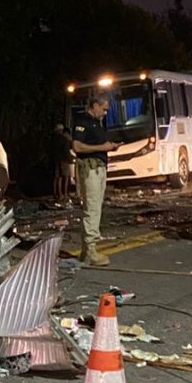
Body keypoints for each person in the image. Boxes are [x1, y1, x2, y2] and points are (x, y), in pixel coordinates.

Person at [71, 95, 119, 266]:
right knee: (92, 209)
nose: (105, 113)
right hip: (90, 169)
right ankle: (91, 249)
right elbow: (77, 146)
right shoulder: (83, 122)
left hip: (99, 168)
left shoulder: (96, 124)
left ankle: (86, 250)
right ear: (95, 105)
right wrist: (103, 147)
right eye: (104, 109)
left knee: (95, 207)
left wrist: (109, 146)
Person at [52, 122, 76, 205]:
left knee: (57, 178)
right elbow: (66, 151)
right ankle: (64, 194)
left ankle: (57, 194)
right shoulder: (64, 139)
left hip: (56, 159)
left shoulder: (53, 139)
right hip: (64, 160)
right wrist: (71, 159)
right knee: (66, 177)